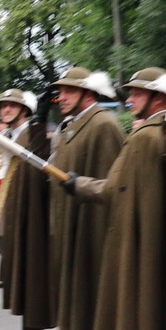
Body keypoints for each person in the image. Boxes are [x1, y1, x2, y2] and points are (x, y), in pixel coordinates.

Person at [59, 67, 166, 330]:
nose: (130, 100)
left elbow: (115, 189)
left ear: (159, 98)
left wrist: (77, 184)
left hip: (136, 243)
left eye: (138, 94)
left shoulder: (146, 137)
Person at [47, 67, 124, 330]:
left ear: (88, 94)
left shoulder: (103, 124)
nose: (62, 97)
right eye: (60, 92)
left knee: (90, 302)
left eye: (70, 91)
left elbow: (111, 187)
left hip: (91, 232)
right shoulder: (73, 124)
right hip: (70, 224)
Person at [0, 89, 56, 330]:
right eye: (2, 106)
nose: (5, 109)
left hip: (32, 214)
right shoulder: (6, 135)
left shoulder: (33, 133)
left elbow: (40, 161)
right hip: (12, 213)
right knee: (19, 279)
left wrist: (40, 122)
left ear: (24, 110)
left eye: (11, 105)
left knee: (33, 281)